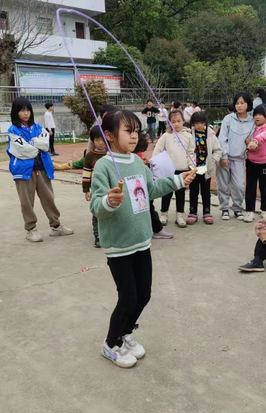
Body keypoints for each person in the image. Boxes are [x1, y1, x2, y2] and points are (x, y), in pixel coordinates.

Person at [89, 109, 195, 368]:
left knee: (144, 294)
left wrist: (179, 181)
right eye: (128, 131)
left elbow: (152, 189)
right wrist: (109, 201)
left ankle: (126, 333)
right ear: (111, 136)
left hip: (141, 242)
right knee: (128, 297)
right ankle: (111, 344)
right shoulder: (103, 165)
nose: (134, 136)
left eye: (136, 131)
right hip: (119, 245)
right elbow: (95, 205)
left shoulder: (138, 162)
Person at [7, 97, 74, 243]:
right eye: (22, 110)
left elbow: (45, 145)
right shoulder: (13, 130)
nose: (25, 114)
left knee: (48, 198)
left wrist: (32, 145)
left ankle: (56, 226)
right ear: (16, 112)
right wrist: (35, 144)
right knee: (27, 202)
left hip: (42, 168)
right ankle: (31, 230)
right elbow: (21, 150)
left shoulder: (38, 127)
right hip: (24, 171)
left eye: (27, 110)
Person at [153, 110, 196, 228]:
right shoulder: (166, 136)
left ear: (183, 121)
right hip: (168, 171)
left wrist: (192, 167)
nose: (176, 124)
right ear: (169, 123)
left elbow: (191, 153)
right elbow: (157, 151)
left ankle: (180, 216)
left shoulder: (188, 136)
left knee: (180, 194)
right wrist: (156, 165)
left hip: (182, 170)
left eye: (178, 121)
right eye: (173, 122)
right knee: (166, 193)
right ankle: (164, 214)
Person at [216, 92, 255, 221]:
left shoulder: (252, 122)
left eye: (242, 103)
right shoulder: (228, 119)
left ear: (248, 104)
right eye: (237, 103)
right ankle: (224, 208)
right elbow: (223, 138)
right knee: (223, 184)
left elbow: (253, 139)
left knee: (238, 185)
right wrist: (224, 156)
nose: (239, 106)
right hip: (225, 157)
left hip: (239, 158)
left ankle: (238, 208)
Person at [134, 132, 174, 240]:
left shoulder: (135, 153)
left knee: (148, 205)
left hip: (142, 184)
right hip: (135, 187)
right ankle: (155, 229)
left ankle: (156, 229)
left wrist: (145, 164)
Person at [54, 105, 118, 170]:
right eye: (107, 117)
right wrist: (89, 158)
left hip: (112, 158)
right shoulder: (98, 131)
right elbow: (90, 148)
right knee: (80, 163)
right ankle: (62, 166)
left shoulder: (118, 130)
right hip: (96, 157)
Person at [187, 111, 222, 225]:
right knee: (193, 191)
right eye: (196, 123)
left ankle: (207, 212)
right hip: (193, 168)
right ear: (193, 123)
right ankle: (192, 212)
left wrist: (212, 161)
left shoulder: (211, 134)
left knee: (206, 191)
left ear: (205, 123)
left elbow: (218, 150)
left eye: (201, 123)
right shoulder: (188, 134)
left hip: (206, 169)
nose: (199, 126)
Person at [244, 104, 266, 223]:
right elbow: (246, 139)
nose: (257, 117)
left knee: (265, 187)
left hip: (265, 163)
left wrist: (255, 141)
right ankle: (249, 211)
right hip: (251, 162)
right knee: (250, 187)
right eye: (255, 115)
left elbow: (264, 136)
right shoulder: (252, 127)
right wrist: (248, 142)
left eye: (260, 115)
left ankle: (265, 210)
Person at [82, 126, 107, 248]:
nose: (100, 142)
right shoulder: (90, 156)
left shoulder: (112, 153)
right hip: (96, 189)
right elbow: (86, 173)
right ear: (93, 141)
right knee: (97, 212)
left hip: (110, 187)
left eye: (103, 139)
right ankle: (98, 237)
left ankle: (111, 234)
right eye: (97, 140)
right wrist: (86, 190)